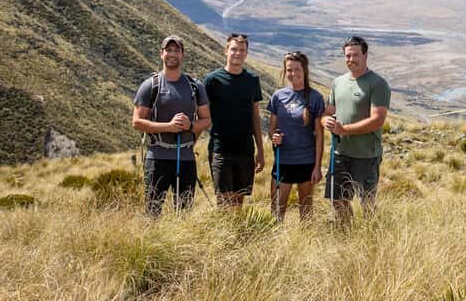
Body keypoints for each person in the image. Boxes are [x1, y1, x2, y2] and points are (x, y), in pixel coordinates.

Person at [132, 35, 211, 217]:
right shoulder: (150, 86)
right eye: (168, 50)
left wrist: (190, 125)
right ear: (161, 54)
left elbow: (206, 120)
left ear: (183, 55)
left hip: (186, 158)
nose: (172, 54)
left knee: (184, 212)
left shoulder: (195, 86)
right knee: (153, 212)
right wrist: (168, 127)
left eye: (177, 50)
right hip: (157, 158)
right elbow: (137, 122)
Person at [323, 36, 390, 221]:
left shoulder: (378, 84)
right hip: (339, 153)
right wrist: (326, 122)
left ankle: (371, 240)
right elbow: (327, 113)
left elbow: (377, 120)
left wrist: (344, 130)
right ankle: (346, 236)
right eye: (347, 56)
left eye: (355, 55)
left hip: (366, 155)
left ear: (365, 55)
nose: (351, 59)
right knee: (338, 201)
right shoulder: (338, 82)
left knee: (366, 203)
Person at [204, 33, 264, 207]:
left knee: (238, 202)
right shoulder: (212, 80)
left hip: (245, 149)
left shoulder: (252, 80)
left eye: (242, 50)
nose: (237, 53)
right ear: (226, 51)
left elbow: (255, 117)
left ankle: (236, 234)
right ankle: (222, 234)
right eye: (234, 49)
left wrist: (260, 150)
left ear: (246, 53)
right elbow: (201, 114)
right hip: (220, 149)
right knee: (224, 201)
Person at [268, 51, 325, 221]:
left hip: (306, 161)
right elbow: (272, 130)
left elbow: (320, 136)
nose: (293, 74)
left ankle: (304, 245)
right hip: (283, 160)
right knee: (277, 211)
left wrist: (317, 167)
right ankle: (276, 244)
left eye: (297, 69)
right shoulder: (278, 96)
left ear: (305, 70)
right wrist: (274, 137)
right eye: (289, 70)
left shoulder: (315, 97)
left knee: (306, 212)